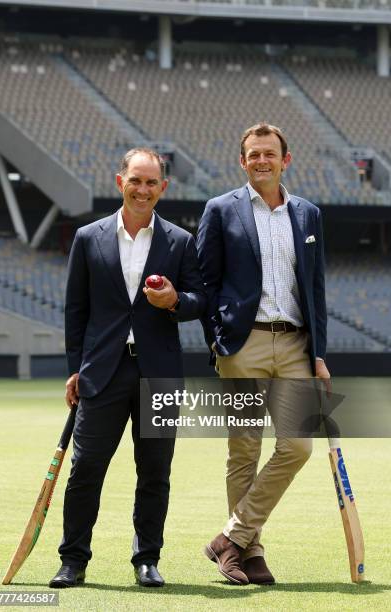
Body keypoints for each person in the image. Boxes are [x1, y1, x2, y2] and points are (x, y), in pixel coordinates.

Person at [49, 148, 206, 589]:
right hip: (102, 372)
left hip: (159, 375)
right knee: (86, 470)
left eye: (151, 182)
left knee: (154, 472)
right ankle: (73, 560)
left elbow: (199, 301)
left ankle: (146, 560)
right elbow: (75, 311)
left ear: (163, 188)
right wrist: (74, 368)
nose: (142, 189)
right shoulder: (88, 237)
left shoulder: (179, 241)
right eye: (135, 181)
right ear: (121, 182)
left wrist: (174, 300)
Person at [196, 123, 330, 586]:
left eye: (269, 153)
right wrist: (217, 339)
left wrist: (320, 353)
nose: (261, 161)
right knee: (244, 452)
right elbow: (205, 283)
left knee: (297, 446)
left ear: (285, 160)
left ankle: (229, 538)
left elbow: (315, 288)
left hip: (295, 344)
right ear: (243, 161)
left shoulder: (308, 214)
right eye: (253, 154)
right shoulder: (220, 210)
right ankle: (248, 556)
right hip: (242, 345)